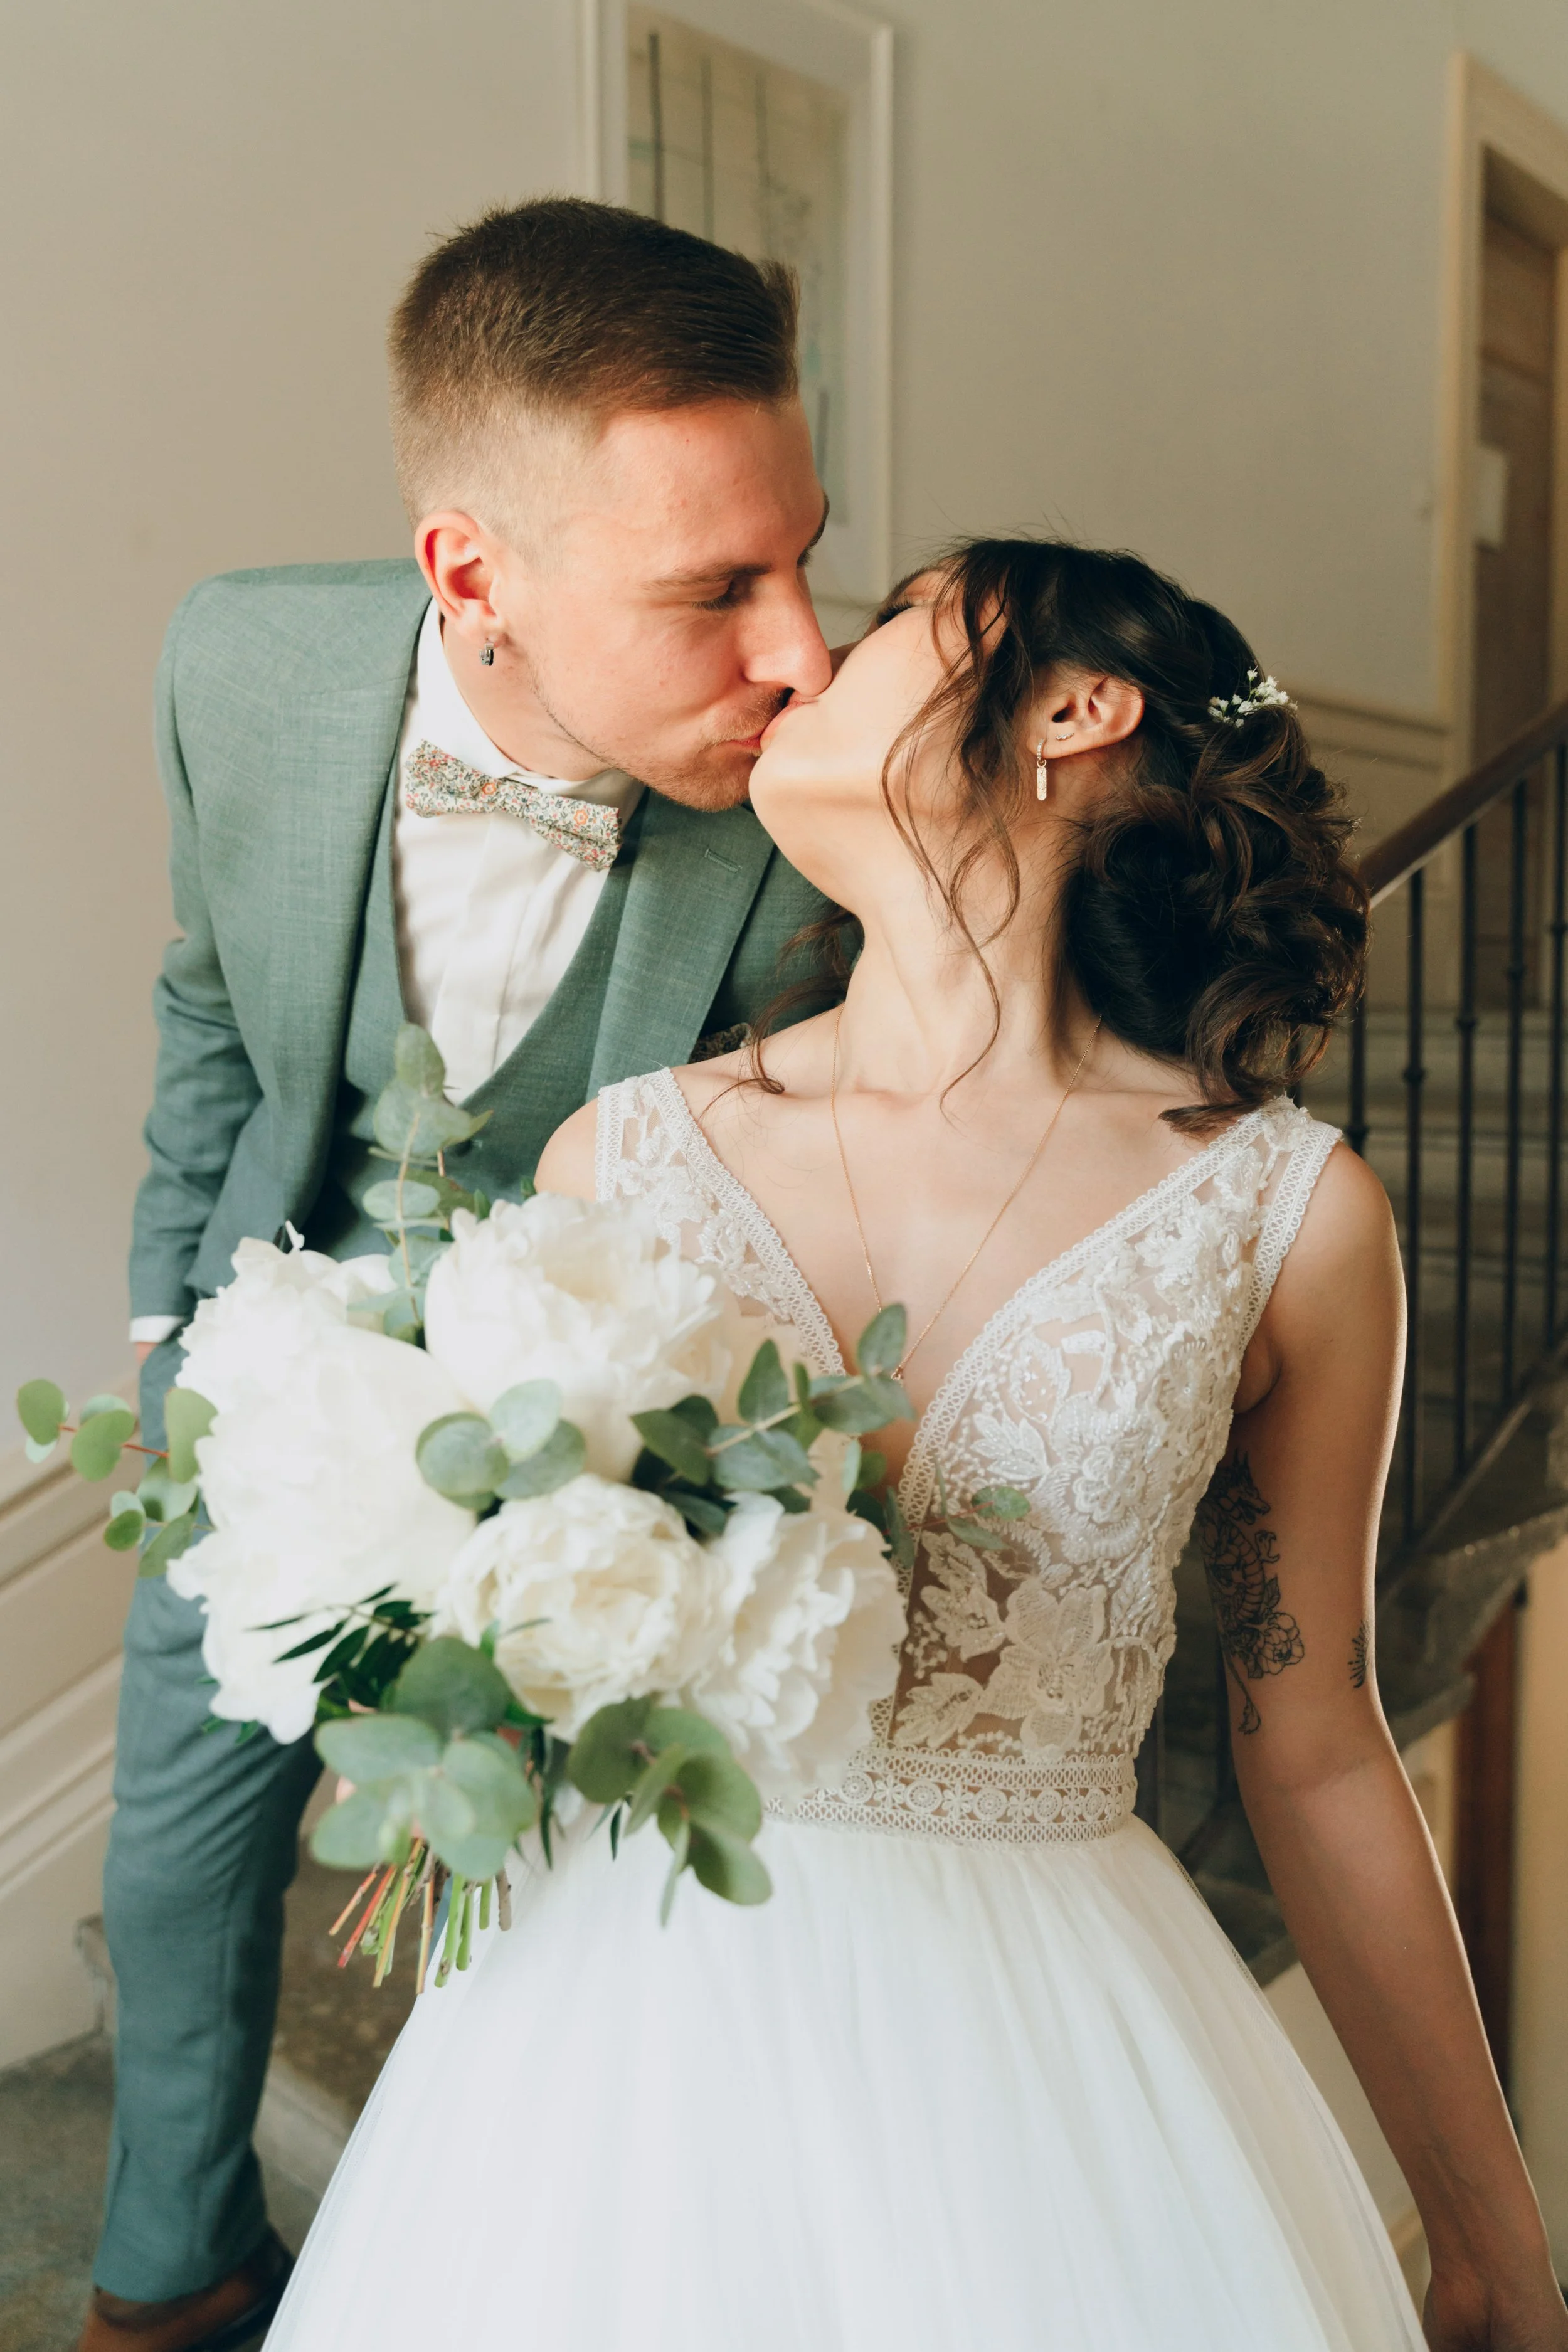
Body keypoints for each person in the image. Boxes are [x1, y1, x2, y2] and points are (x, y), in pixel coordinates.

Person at [264, 539, 1568, 2352]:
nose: (798, 664)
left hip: (1063, 2070)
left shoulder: (1282, 1214)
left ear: (1068, 707)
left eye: (882, 628)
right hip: (621, 2053)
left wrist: (1496, 2238)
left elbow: (1323, 1746)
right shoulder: (620, 1160)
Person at [88, 198, 837, 2352]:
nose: (797, 647)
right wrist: (172, 1328)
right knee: (177, 1856)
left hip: (628, 1456)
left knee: (578, 1927)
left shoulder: (830, 796)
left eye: (807, 552)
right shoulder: (238, 661)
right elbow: (211, 1006)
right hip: (277, 1359)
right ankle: (171, 2275)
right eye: (716, 589)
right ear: (469, 575)